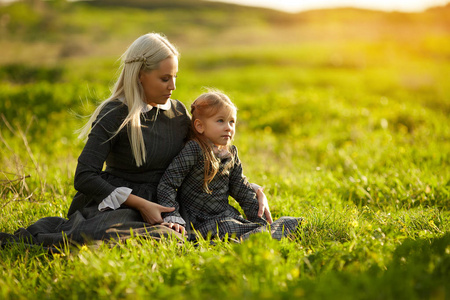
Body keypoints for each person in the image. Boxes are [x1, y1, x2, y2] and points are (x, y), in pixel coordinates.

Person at [0, 33, 271, 248]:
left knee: (186, 237)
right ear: (140, 75)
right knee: (153, 238)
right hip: (122, 204)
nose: (173, 86)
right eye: (165, 78)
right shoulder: (114, 114)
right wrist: (141, 204)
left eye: (175, 77)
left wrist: (252, 187)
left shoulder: (176, 113)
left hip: (168, 203)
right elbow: (84, 176)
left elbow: (202, 156)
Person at [157, 91, 301, 241]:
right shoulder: (194, 150)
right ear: (200, 126)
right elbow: (168, 183)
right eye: (220, 121)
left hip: (223, 214)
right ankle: (258, 238)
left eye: (232, 122)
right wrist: (172, 215)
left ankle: (261, 233)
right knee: (228, 228)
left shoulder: (230, 153)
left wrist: (260, 219)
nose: (228, 127)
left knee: (237, 225)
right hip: (198, 220)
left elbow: (241, 188)